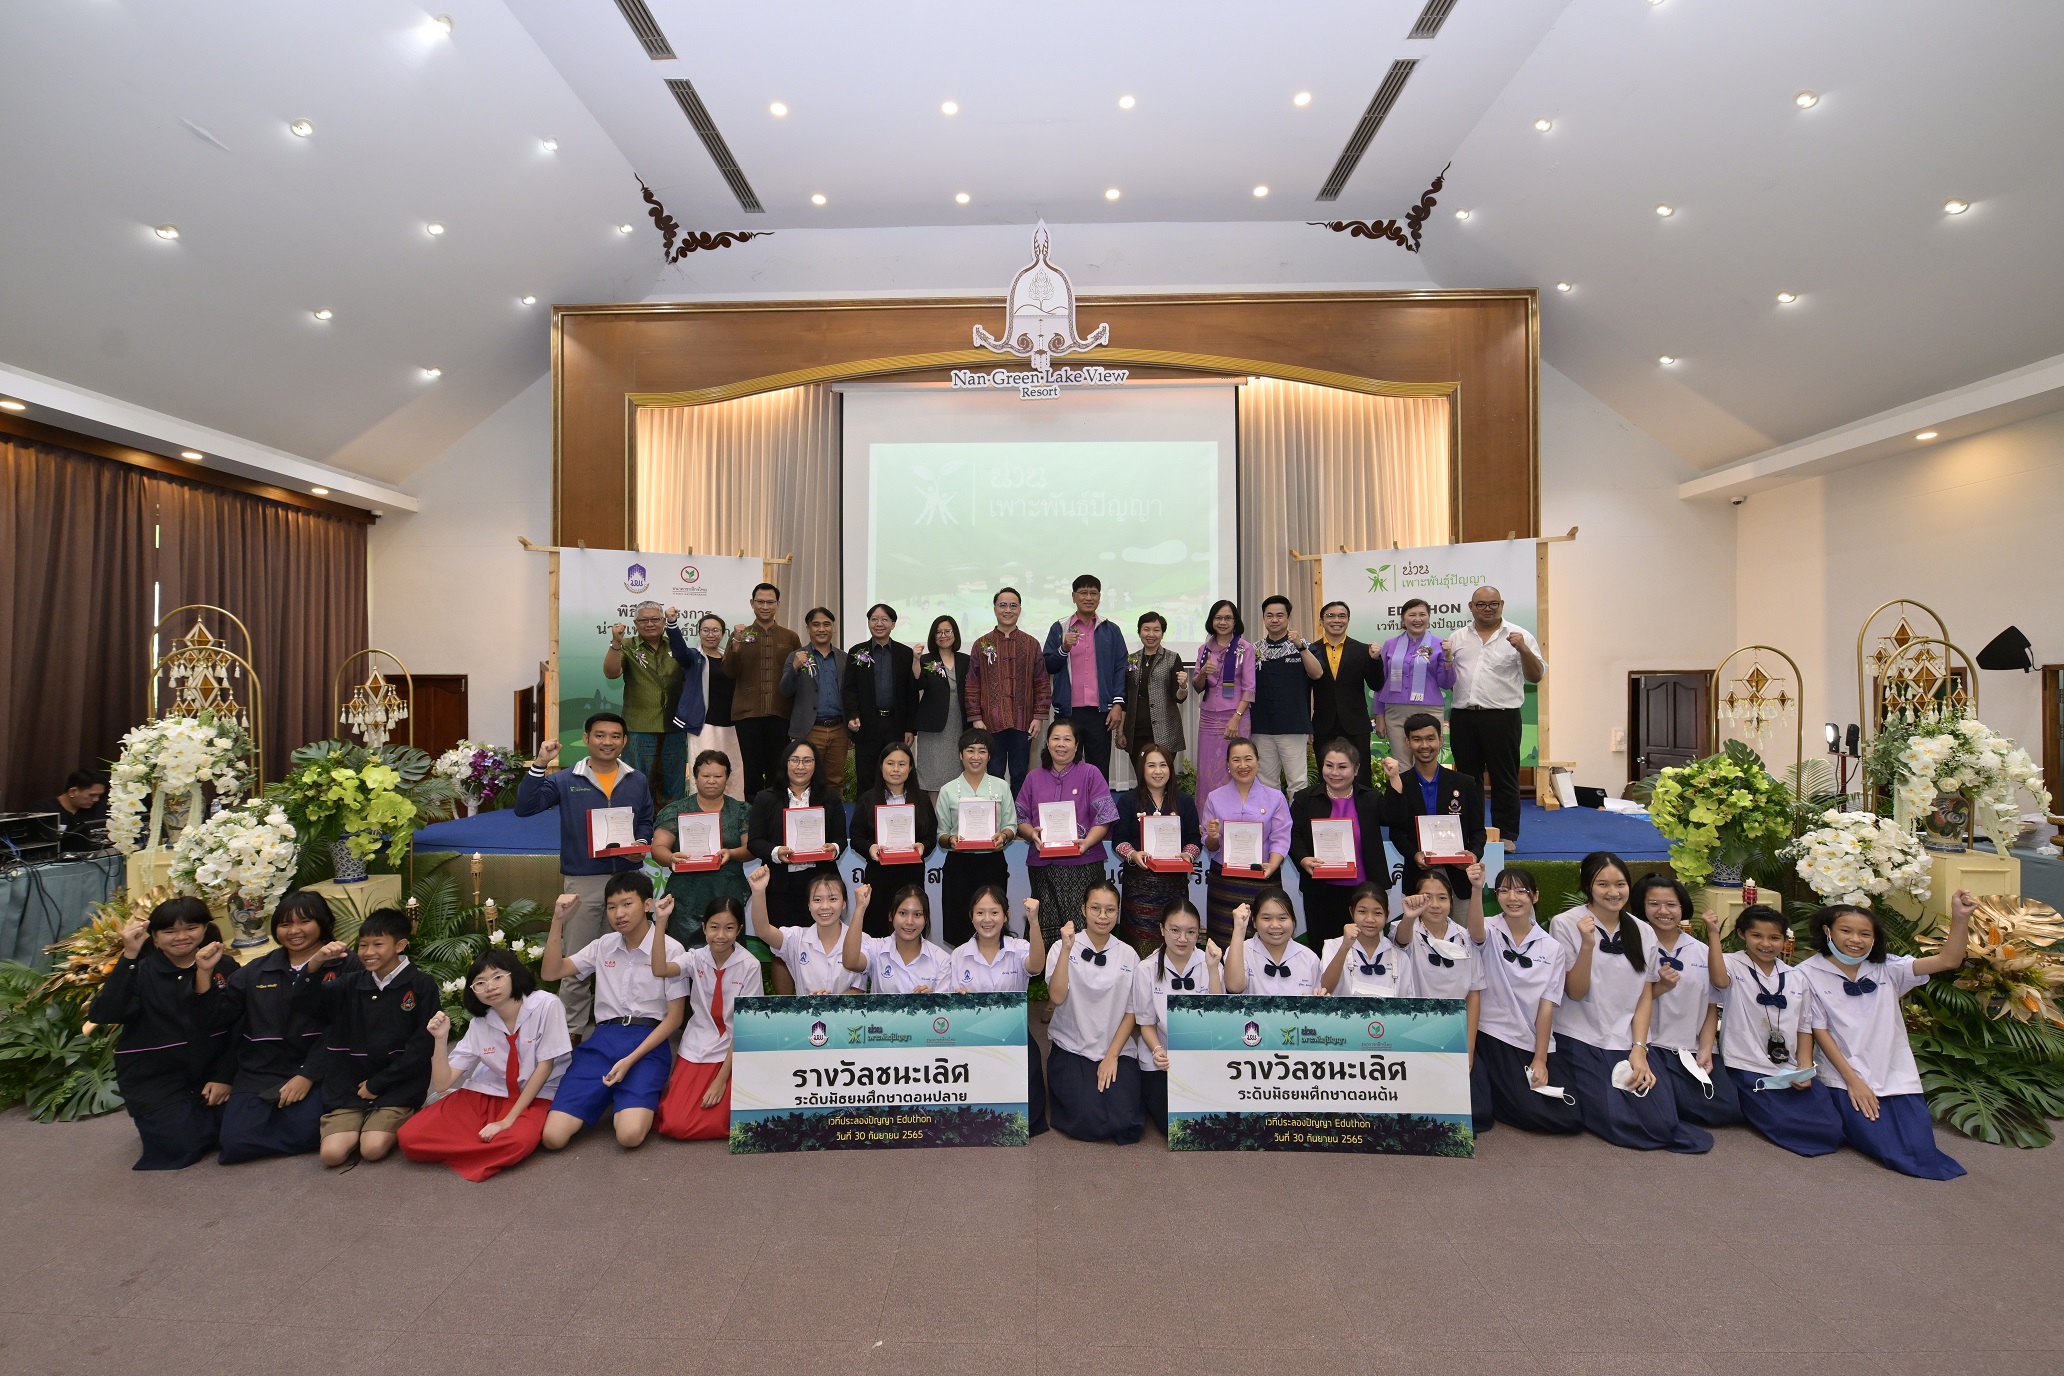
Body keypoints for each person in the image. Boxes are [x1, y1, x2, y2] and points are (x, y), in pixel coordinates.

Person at [1800, 890, 1976, 1179]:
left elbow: (1948, 960)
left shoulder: (1888, 967)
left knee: (1920, 1152)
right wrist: (1854, 1082)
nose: (1856, 940)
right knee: (1888, 1148)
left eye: (1865, 934)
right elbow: (1820, 1032)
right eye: (1846, 931)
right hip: (1844, 1076)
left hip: (1893, 1073)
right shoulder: (1805, 973)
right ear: (1827, 931)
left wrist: (1960, 916)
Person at [1547, 851, 1711, 1153]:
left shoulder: (1643, 930)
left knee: (1662, 1120)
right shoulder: (1566, 923)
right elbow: (1575, 992)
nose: (1613, 892)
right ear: (1587, 886)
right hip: (1581, 1037)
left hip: (1625, 1038)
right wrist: (1587, 945)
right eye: (1603, 884)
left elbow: (1644, 995)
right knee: (1619, 1121)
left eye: (1620, 884)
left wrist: (1639, 1049)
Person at [514, 712, 655, 1040]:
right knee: (576, 963)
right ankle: (570, 1034)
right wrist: (540, 763)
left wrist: (641, 842)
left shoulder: (636, 779)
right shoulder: (566, 779)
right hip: (584, 882)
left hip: (627, 882)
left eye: (615, 736)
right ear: (587, 738)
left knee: (627, 958)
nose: (608, 742)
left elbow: (646, 819)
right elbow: (525, 807)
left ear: (625, 741)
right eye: (600, 735)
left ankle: (620, 1028)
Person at [538, 872, 687, 1151]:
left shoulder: (671, 948)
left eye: (627, 904)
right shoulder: (603, 945)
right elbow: (551, 972)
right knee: (553, 1138)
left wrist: (629, 1060)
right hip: (602, 1041)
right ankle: (611, 1094)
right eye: (611, 906)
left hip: (647, 1044)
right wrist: (558, 920)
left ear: (647, 905)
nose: (619, 914)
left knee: (629, 1136)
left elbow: (675, 1018)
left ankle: (624, 1094)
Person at [89, 896, 233, 1170]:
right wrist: (129, 956)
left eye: (191, 928)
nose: (181, 937)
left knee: (241, 1131)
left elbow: (238, 1025)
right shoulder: (139, 970)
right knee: (180, 1149)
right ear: (154, 937)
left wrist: (225, 1076)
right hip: (157, 1078)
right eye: (169, 931)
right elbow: (103, 1013)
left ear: (205, 929)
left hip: (211, 1072)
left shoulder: (224, 966)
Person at [398, 950, 569, 1181]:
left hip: (537, 1094)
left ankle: (466, 1140)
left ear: (514, 975)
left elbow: (544, 1068)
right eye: (480, 982)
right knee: (409, 1137)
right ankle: (476, 1142)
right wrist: (440, 1039)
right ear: (473, 990)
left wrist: (507, 1121)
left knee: (515, 1143)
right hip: (488, 1091)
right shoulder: (480, 1023)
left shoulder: (546, 1005)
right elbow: (441, 1083)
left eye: (498, 977)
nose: (490, 986)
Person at [213, 891, 351, 1165]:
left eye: (304, 922)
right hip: (262, 1070)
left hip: (319, 1067)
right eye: (285, 924)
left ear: (323, 922)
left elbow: (345, 1026)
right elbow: (223, 1020)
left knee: (307, 1130)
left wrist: (307, 1075)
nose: (294, 931)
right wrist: (204, 975)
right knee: (234, 1142)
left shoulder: (346, 963)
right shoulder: (254, 971)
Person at [298, 907, 442, 1168]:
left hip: (397, 1086)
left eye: (377, 944)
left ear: (400, 945)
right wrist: (315, 963)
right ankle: (358, 1122)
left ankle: (401, 1114)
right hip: (349, 1087)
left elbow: (422, 1045)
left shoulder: (421, 984)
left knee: (372, 1149)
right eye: (363, 945)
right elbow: (306, 1002)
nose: (367, 952)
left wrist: (378, 1083)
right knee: (331, 1155)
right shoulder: (350, 983)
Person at [1710, 904, 1843, 1157]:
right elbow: (1718, 980)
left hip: (1787, 1067)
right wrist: (1714, 934)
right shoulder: (1731, 964)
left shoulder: (1795, 976)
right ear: (1741, 934)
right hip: (1747, 1065)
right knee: (1785, 1125)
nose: (1766, 944)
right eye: (1756, 936)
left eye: (1774, 938)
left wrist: (1804, 1068)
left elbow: (1804, 1026)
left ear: (1785, 939)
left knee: (1831, 1127)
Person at [1467, 866, 1583, 1134]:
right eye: (1504, 890)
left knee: (1570, 1114)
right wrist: (1476, 888)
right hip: (1494, 1034)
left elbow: (1546, 1005)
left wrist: (1540, 1058)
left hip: (1532, 1039)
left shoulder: (1551, 947)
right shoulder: (1489, 928)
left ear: (1535, 896)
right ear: (1496, 895)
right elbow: (1475, 933)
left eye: (1521, 891)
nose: (1513, 897)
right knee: (1530, 1112)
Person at [1633, 874, 1742, 1128]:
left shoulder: (1701, 951)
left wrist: (1706, 1048)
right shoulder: (1635, 947)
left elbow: (1711, 1005)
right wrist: (1661, 987)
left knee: (1726, 1109)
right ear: (1642, 906)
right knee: (1660, 1108)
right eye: (1654, 904)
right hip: (1652, 1046)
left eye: (1671, 904)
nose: (1663, 911)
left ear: (1683, 908)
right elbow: (1626, 1001)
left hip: (1690, 1048)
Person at [1043, 882, 1147, 1144]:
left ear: (1118, 912)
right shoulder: (1062, 947)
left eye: (1110, 910)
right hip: (1073, 1046)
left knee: (1127, 1120)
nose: (1103, 916)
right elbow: (1056, 997)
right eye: (1095, 909)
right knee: (1087, 1117)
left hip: (1115, 1047)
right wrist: (1067, 950)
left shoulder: (1128, 954)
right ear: (1083, 910)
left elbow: (1131, 1011)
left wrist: (1112, 1056)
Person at [652, 896, 763, 1140]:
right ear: (703, 927)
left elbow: (746, 1027)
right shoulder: (695, 958)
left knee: (732, 1121)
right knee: (675, 1124)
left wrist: (721, 1080)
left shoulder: (750, 965)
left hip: (735, 1047)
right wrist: (661, 921)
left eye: (729, 928)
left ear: (739, 930)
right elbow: (660, 969)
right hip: (698, 1044)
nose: (721, 935)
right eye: (714, 927)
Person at [1445, 585, 1544, 847]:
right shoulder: (1457, 637)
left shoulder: (1519, 635)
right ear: (1471, 607)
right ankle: (1471, 833)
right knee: (1467, 779)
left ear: (1502, 604)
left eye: (1493, 604)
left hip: (1502, 717)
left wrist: (1523, 649)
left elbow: (1536, 676)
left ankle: (1507, 835)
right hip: (1464, 716)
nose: (1487, 609)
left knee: (1504, 778)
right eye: (1481, 604)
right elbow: (1448, 677)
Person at [951, 885, 1050, 1137]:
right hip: (973, 1036)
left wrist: (1034, 921)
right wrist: (957, 998)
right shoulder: (959, 955)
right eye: (980, 913)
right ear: (971, 916)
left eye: (994, 912)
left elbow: (1037, 966)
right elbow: (950, 1003)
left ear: (1006, 916)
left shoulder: (1019, 947)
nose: (987, 919)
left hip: (1013, 1033)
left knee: (1030, 1078)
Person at [1015, 718, 1117, 949]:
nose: (1061, 744)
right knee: (1045, 925)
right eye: (1056, 739)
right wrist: (1032, 834)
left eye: (1067, 739)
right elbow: (1020, 818)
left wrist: (1087, 843)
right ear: (1047, 743)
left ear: (1076, 744)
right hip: (1043, 866)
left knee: (1083, 926)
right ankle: (1047, 967)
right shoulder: (1033, 777)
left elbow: (1105, 816)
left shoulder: (1091, 773)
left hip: (1084, 865)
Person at [1130, 898, 1219, 1135]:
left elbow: (1218, 1015)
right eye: (1175, 930)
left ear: (1199, 933)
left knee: (1217, 1119)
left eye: (1190, 932)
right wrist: (1157, 1050)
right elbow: (1146, 1024)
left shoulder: (1210, 962)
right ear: (1162, 929)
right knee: (1177, 1126)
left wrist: (1213, 969)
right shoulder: (1146, 969)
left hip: (1202, 1056)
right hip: (1162, 1059)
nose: (1182, 938)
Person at [1289, 738, 1390, 944]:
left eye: (1342, 767)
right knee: (1323, 947)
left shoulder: (1371, 798)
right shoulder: (1305, 799)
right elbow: (1292, 835)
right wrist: (1303, 859)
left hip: (1363, 892)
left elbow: (1397, 817)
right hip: (1320, 891)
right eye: (1329, 765)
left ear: (1356, 769)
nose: (1334, 772)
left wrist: (1394, 779)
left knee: (1362, 948)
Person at [650, 749, 753, 948]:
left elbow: (751, 847)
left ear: (727, 778)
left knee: (727, 953)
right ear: (695, 777)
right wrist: (671, 858)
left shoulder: (741, 810)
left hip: (727, 891)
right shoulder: (676, 810)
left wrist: (732, 853)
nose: (711, 781)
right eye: (706, 776)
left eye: (718, 776)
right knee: (683, 956)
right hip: (685, 895)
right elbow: (658, 847)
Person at [1380, 713, 1487, 898]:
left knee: (1462, 919)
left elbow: (1478, 832)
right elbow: (1396, 832)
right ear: (1407, 742)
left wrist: (1473, 856)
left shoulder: (1465, 783)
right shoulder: (1399, 783)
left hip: (1459, 878)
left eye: (1430, 738)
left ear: (1441, 740)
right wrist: (1415, 855)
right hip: (1417, 878)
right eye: (1417, 739)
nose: (1424, 745)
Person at [746, 738, 849, 929]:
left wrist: (833, 848)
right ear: (785, 763)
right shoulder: (765, 798)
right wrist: (776, 852)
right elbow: (755, 841)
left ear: (816, 764)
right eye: (795, 760)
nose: (800, 766)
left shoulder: (830, 797)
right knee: (781, 942)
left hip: (821, 883)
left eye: (807, 760)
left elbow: (840, 838)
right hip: (780, 884)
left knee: (822, 939)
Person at [1198, 738, 1291, 948]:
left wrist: (1272, 866)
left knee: (1264, 939)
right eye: (1236, 760)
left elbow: (1280, 837)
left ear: (1257, 761)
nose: (1242, 765)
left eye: (1248, 759)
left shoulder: (1275, 797)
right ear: (1228, 764)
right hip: (1225, 882)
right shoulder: (1214, 798)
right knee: (1223, 941)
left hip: (1263, 877)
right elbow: (1211, 845)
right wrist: (1212, 836)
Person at [1110, 742, 1201, 952]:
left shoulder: (1184, 801)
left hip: (1174, 886)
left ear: (1170, 768)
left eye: (1163, 765)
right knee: (1137, 946)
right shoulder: (1128, 800)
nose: (1158, 771)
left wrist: (1188, 855)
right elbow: (1118, 840)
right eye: (1151, 765)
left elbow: (1194, 839)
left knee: (1174, 939)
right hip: (1139, 887)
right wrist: (1132, 854)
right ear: (1142, 769)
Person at [848, 742, 938, 937]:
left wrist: (923, 846)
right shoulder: (867, 799)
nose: (896, 769)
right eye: (890, 763)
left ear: (910, 768)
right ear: (881, 766)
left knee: (911, 932)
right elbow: (856, 837)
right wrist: (870, 848)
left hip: (912, 876)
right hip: (879, 876)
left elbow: (931, 836)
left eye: (902, 764)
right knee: (877, 932)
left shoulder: (922, 799)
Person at [936, 729, 1017, 946]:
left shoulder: (1002, 787)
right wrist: (950, 840)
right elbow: (941, 833)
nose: (976, 756)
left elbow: (1011, 825)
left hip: (992, 863)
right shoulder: (947, 790)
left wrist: (1004, 837)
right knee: (959, 924)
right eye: (970, 750)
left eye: (982, 751)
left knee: (991, 921)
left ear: (989, 756)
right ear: (960, 754)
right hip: (959, 865)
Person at [966, 586, 1051, 792]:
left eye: (1013, 606)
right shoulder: (981, 644)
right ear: (995, 609)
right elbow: (972, 683)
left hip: (1023, 721)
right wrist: (976, 718)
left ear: (1020, 610)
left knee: (1020, 773)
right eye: (1002, 605)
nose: (1008, 610)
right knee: (993, 773)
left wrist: (1038, 717)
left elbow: (1041, 682)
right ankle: (995, 811)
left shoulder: (1031, 644)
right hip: (990, 722)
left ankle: (1018, 812)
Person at [1042, 573, 1128, 777]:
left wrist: (1118, 704)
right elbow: (1048, 665)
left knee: (1099, 770)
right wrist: (1064, 648)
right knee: (1065, 767)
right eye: (1083, 593)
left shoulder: (1111, 630)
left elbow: (1120, 668)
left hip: (1101, 712)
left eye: (1093, 593)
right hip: (1068, 711)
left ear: (1099, 597)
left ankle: (1097, 800)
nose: (1088, 597)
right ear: (1073, 596)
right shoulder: (1060, 628)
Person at [723, 582, 803, 798]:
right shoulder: (740, 634)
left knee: (779, 770)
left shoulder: (790, 637)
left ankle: (777, 812)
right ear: (752, 603)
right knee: (752, 772)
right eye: (760, 602)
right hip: (747, 714)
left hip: (781, 714)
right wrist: (736, 645)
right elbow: (729, 672)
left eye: (770, 602)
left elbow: (798, 678)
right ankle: (754, 815)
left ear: (778, 604)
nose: (765, 607)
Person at [605, 601, 688, 804]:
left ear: (664, 621)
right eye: (643, 620)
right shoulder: (627, 645)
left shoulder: (676, 645)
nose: (649, 624)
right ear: (635, 623)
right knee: (637, 782)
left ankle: (669, 821)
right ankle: (638, 822)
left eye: (655, 619)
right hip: (639, 726)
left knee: (674, 783)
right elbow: (611, 673)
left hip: (674, 726)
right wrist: (615, 643)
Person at [750, 865, 865, 998]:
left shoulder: (862, 940)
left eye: (833, 899)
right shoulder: (796, 938)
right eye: (817, 900)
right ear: (809, 905)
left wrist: (830, 1001)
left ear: (844, 903)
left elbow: (859, 990)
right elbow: (763, 930)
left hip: (846, 1011)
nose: (825, 906)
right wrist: (758, 892)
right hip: (804, 1012)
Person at [1307, 600, 1386, 784]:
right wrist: (1307, 725)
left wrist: (1375, 660)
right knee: (1327, 776)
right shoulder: (1310, 651)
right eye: (1331, 616)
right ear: (1321, 621)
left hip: (1356, 723)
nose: (1336, 620)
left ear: (1348, 620)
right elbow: (1304, 691)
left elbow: (1376, 685)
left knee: (1361, 776)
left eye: (1342, 616)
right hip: (1323, 724)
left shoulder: (1363, 650)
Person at [668, 609, 744, 800]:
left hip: (732, 725)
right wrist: (672, 624)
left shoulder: (730, 657)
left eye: (716, 630)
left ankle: (735, 812)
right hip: (704, 725)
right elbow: (679, 650)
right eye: (706, 630)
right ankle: (702, 813)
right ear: (699, 632)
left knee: (734, 773)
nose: (711, 634)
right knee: (705, 771)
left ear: (723, 634)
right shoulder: (694, 657)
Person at [844, 602, 917, 795]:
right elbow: (849, 689)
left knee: (896, 774)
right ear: (868, 623)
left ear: (893, 624)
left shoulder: (905, 653)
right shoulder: (857, 652)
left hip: (896, 724)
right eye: (874, 619)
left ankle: (895, 812)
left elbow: (911, 693)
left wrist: (910, 728)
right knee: (866, 775)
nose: (879, 624)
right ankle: (867, 814)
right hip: (867, 723)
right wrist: (852, 715)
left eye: (884, 619)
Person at [1374, 598, 1456, 763]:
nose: (1417, 619)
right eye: (1412, 615)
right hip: (1395, 711)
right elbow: (1380, 682)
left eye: (1422, 614)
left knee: (1427, 761)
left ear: (1429, 618)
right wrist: (1379, 715)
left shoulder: (1440, 644)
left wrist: (1448, 658)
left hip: (1429, 710)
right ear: (1403, 619)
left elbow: (1446, 683)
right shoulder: (1390, 644)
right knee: (1402, 763)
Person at [1251, 597, 1317, 799]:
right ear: (1263, 618)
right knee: (1266, 783)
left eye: (1280, 615)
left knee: (1297, 782)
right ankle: (1272, 819)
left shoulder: (1304, 646)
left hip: (1293, 726)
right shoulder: (1253, 650)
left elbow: (1317, 673)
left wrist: (1301, 647)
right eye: (1269, 615)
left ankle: (1297, 820)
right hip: (1261, 727)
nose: (1274, 620)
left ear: (1288, 617)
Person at [781, 607, 850, 793]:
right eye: (816, 625)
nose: (821, 629)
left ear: (833, 627)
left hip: (839, 730)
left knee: (835, 780)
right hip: (810, 729)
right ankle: (807, 813)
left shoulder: (843, 657)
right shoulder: (796, 656)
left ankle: (832, 812)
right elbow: (785, 691)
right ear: (808, 628)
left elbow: (850, 693)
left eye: (826, 624)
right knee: (805, 779)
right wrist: (795, 667)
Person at [1191, 599, 1255, 798]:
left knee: (1236, 766)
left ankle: (1236, 812)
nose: (1223, 622)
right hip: (1209, 717)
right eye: (1218, 618)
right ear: (1211, 621)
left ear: (1235, 622)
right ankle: (1207, 814)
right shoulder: (1204, 649)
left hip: (1236, 716)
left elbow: (1249, 688)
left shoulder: (1245, 648)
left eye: (1228, 618)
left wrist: (1236, 718)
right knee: (1207, 768)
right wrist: (1203, 672)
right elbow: (1197, 686)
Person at [843, 883, 955, 992]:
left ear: (926, 919)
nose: (909, 922)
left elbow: (944, 1003)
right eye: (902, 913)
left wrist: (930, 1000)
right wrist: (860, 908)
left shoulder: (941, 959)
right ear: (891, 915)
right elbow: (850, 963)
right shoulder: (876, 948)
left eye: (917, 914)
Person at [1118, 612, 1187, 781]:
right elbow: (1125, 698)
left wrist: (1183, 686)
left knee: (1162, 779)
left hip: (1165, 731)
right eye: (1146, 629)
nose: (1151, 634)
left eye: (1156, 630)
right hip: (1136, 731)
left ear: (1162, 633)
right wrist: (1120, 732)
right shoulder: (1132, 659)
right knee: (1142, 778)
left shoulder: (1172, 658)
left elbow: (1179, 697)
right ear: (1139, 632)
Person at [913, 614, 971, 799]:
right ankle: (937, 816)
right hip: (933, 727)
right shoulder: (926, 659)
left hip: (960, 723)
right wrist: (915, 660)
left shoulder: (966, 660)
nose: (943, 635)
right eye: (938, 632)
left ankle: (954, 815)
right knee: (934, 774)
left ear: (955, 634)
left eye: (947, 631)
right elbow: (918, 683)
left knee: (958, 773)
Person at [1222, 891, 1323, 995]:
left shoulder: (1309, 958)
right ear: (1254, 922)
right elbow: (1234, 987)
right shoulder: (1241, 951)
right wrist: (1239, 929)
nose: (1275, 925)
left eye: (1282, 918)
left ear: (1293, 921)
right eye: (1266, 918)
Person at [1318, 884, 1403, 998]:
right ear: (1351, 912)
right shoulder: (1333, 946)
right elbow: (1325, 989)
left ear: (1387, 915)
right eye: (1362, 911)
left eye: (1377, 913)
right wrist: (1345, 947)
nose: (1370, 919)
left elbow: (1407, 1002)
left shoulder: (1399, 956)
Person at [31, 768, 108, 846]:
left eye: (99, 795)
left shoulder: (99, 807)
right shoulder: (43, 810)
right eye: (92, 795)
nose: (96, 799)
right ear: (73, 791)